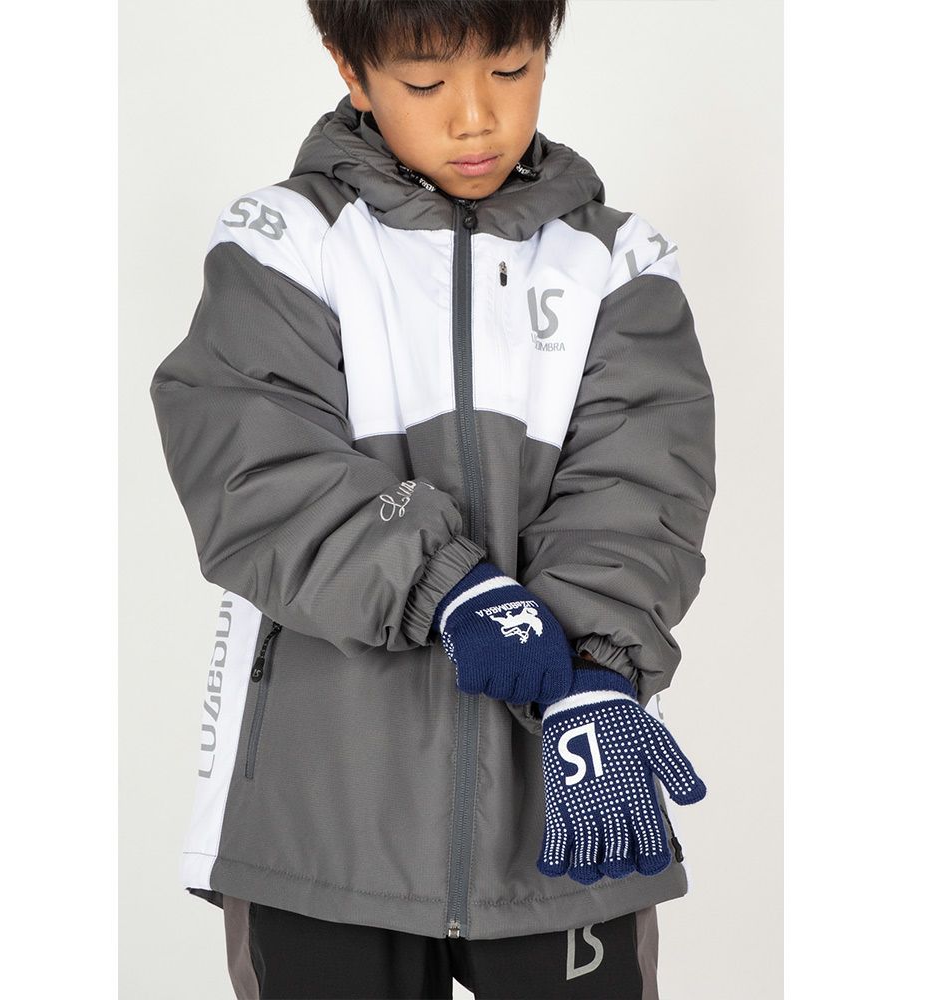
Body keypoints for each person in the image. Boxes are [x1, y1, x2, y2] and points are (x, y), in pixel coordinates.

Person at [148, 2, 716, 997]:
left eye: (511, 70)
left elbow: (643, 483)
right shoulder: (284, 241)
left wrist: (595, 666)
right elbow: (252, 468)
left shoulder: (618, 262)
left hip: (565, 800)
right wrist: (448, 586)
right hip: (322, 821)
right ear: (350, 67)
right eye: (425, 82)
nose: (475, 117)